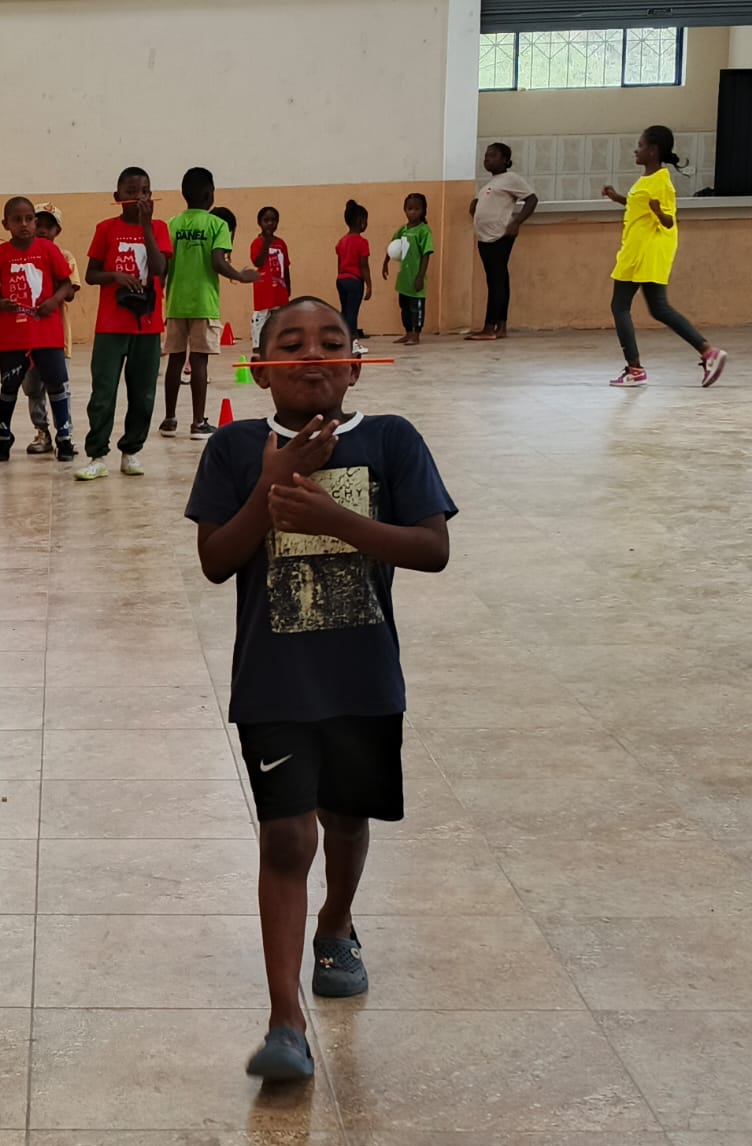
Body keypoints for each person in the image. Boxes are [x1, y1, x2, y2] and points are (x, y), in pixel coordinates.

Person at [186, 295, 455, 1082]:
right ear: (261, 367)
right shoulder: (235, 448)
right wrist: (269, 487)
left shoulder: (391, 439)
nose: (312, 355)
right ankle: (285, 1021)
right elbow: (216, 561)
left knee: (345, 817)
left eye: (331, 341)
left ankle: (336, 924)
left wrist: (335, 520)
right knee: (285, 838)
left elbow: (432, 548)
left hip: (364, 679)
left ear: (355, 364)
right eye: (292, 343)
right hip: (273, 684)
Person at [604, 125, 728, 388]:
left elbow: (669, 220)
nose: (636, 150)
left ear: (653, 150)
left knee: (620, 306)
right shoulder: (648, 179)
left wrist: (659, 212)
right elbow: (640, 205)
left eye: (640, 145)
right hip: (641, 249)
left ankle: (635, 369)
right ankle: (708, 352)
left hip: (643, 251)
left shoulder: (662, 182)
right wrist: (617, 198)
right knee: (659, 308)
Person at [76, 167, 172, 481]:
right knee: (103, 392)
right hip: (110, 325)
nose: (138, 197)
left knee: (143, 394)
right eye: (130, 192)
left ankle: (131, 450)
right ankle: (97, 454)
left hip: (147, 325)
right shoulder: (105, 229)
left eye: (144, 191)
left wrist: (146, 227)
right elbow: (91, 275)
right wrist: (115, 276)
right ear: (117, 197)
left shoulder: (159, 228)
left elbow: (159, 269)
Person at [161, 167, 258, 440]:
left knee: (175, 361)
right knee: (199, 362)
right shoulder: (218, 225)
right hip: (204, 303)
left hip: (176, 302)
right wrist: (240, 276)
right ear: (209, 194)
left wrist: (159, 289)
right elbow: (217, 262)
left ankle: (169, 420)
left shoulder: (172, 224)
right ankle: (197, 423)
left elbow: (164, 264)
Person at [0, 196, 77, 462]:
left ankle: (64, 436)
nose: (24, 224)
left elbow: (66, 284)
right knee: (10, 386)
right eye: (17, 220)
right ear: (6, 224)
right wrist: (0, 302)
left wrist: (54, 301)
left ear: (34, 222)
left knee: (56, 384)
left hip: (47, 334)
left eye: (28, 219)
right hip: (13, 336)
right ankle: (5, 435)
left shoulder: (49, 251)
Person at [21, 203, 82, 456]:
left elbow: (71, 291)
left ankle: (64, 433)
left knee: (60, 386)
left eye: (49, 226)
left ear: (58, 231)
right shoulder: (22, 256)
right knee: (33, 388)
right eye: (39, 224)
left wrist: (53, 293)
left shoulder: (64, 257)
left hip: (56, 336)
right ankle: (41, 431)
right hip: (27, 336)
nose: (43, 230)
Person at [467, 143, 537, 341]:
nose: (487, 158)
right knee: (499, 280)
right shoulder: (491, 183)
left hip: (499, 236)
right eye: (486, 155)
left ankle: (489, 328)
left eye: (493, 155)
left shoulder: (511, 179)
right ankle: (501, 326)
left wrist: (516, 222)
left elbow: (532, 199)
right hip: (485, 237)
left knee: (496, 281)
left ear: (505, 160)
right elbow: (479, 205)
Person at [382, 193, 434, 346]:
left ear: (423, 210)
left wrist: (420, 277)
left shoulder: (424, 231)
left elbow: (426, 254)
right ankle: (408, 332)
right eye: (410, 208)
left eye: (417, 209)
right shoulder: (403, 230)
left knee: (416, 307)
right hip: (404, 278)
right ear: (404, 210)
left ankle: (416, 334)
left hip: (416, 277)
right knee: (404, 307)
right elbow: (393, 246)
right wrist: (385, 262)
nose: (413, 212)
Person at [249, 207, 291, 352]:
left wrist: (288, 286)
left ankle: (277, 343)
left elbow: (286, 266)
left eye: (273, 220)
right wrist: (266, 244)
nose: (270, 223)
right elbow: (258, 262)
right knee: (261, 316)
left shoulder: (281, 244)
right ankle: (257, 344)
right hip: (264, 288)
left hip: (279, 287)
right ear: (259, 223)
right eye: (266, 220)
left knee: (279, 317)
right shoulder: (257, 243)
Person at [334, 201, 373, 357]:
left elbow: (339, 263)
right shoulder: (362, 242)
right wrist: (369, 285)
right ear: (360, 221)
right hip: (355, 281)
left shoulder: (341, 241)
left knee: (345, 311)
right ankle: (353, 343)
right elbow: (364, 265)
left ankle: (343, 341)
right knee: (352, 312)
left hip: (341, 280)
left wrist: (341, 277)